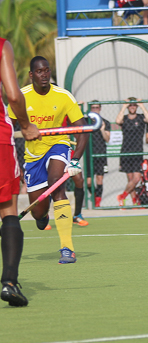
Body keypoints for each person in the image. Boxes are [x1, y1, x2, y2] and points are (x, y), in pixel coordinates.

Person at [8, 56, 89, 265]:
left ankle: (67, 248)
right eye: (40, 71)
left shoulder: (63, 96)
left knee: (57, 185)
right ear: (31, 75)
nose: (44, 74)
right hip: (33, 156)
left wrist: (75, 160)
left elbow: (83, 131)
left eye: (47, 70)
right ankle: (42, 217)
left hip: (58, 145)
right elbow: (8, 126)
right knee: (38, 213)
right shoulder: (21, 96)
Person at [0, 38, 40, 306]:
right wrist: (25, 125)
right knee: (8, 211)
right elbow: (13, 95)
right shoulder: (2, 45)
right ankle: (9, 282)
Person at [116, 97, 148, 206]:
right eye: (130, 105)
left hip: (137, 151)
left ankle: (122, 196)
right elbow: (118, 121)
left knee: (137, 178)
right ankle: (134, 203)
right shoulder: (125, 118)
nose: (132, 107)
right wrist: (123, 106)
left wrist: (141, 105)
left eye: (134, 105)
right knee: (130, 179)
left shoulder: (141, 117)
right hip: (126, 151)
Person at [87, 100, 111, 208]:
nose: (95, 109)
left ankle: (97, 202)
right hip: (89, 153)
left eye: (97, 107)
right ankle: (95, 196)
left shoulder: (105, 122)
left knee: (99, 179)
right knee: (88, 182)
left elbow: (107, 139)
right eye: (93, 108)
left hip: (101, 153)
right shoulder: (86, 122)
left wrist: (102, 129)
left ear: (100, 109)